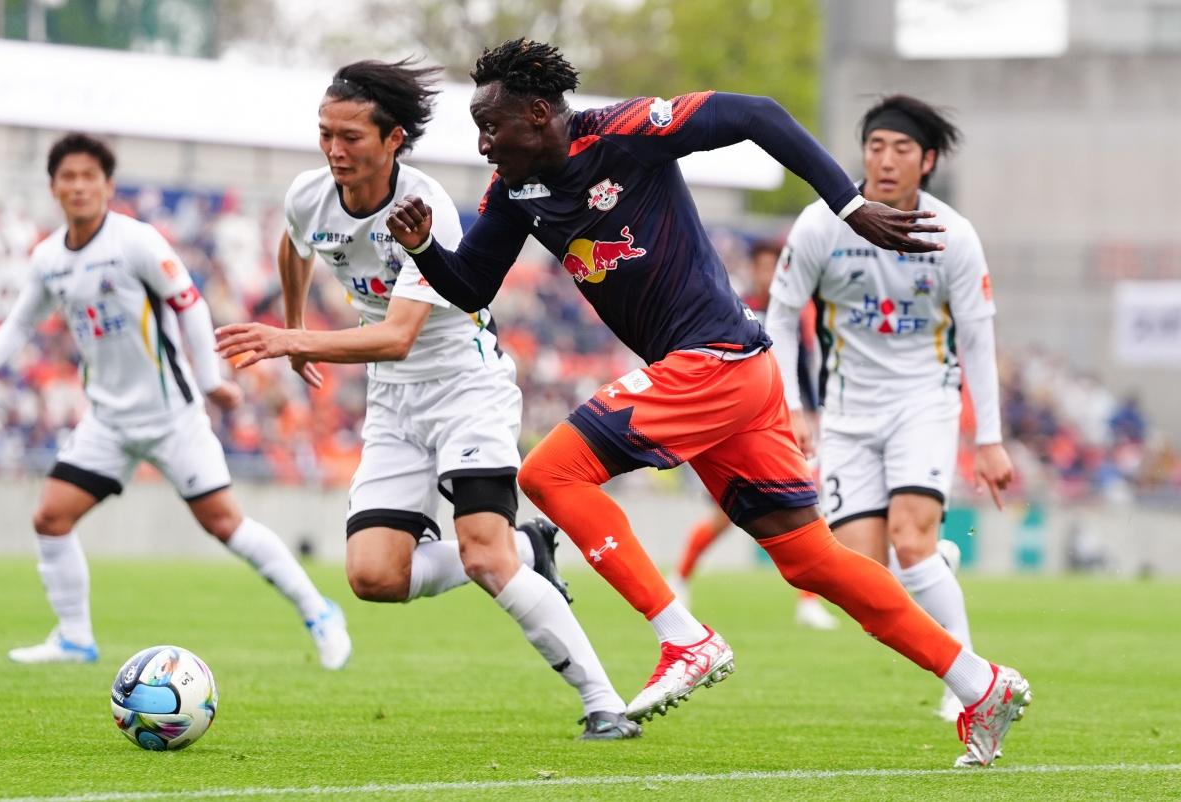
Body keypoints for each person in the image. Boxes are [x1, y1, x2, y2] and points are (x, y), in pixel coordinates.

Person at [385, 39, 1032, 767]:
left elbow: (756, 114)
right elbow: (473, 285)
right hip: (731, 376)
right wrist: (425, 250)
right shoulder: (513, 192)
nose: (483, 144)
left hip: (714, 362)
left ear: (537, 115)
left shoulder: (626, 133)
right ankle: (979, 683)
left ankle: (682, 636)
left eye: (491, 126)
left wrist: (848, 206)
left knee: (549, 474)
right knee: (812, 560)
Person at [213, 59, 639, 740]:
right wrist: (295, 327)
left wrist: (290, 337)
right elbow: (295, 246)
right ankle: (527, 547)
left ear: (393, 140)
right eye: (325, 134)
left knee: (484, 558)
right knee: (373, 576)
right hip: (394, 402)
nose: (333, 150)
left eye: (350, 137)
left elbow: (397, 337)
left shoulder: (423, 207)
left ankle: (604, 703)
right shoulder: (309, 195)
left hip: (465, 386)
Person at [0, 133, 351, 669]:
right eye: (68, 177)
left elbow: (191, 306)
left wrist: (208, 380)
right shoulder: (48, 258)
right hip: (107, 421)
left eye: (89, 176)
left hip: (171, 416)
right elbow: (19, 324)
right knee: (51, 518)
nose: (79, 186)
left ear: (108, 186)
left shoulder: (137, 242)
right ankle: (74, 638)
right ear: (54, 187)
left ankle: (319, 612)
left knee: (225, 524)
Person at [767, 95, 1014, 723]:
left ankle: (970, 681)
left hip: (923, 404)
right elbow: (781, 317)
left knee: (910, 538)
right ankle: (936, 565)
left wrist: (990, 438)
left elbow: (977, 335)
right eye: (875, 146)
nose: (885, 160)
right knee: (865, 578)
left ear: (926, 161)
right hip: (846, 414)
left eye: (901, 149)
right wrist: (791, 406)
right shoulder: (822, 225)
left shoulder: (952, 234)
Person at [668, 239, 838, 632]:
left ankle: (808, 602)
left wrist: (810, 412)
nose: (767, 275)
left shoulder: (794, 313)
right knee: (727, 515)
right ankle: (679, 578)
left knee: (807, 508)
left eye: (772, 267)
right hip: (744, 421)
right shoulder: (735, 306)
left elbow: (803, 366)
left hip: (787, 421)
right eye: (761, 267)